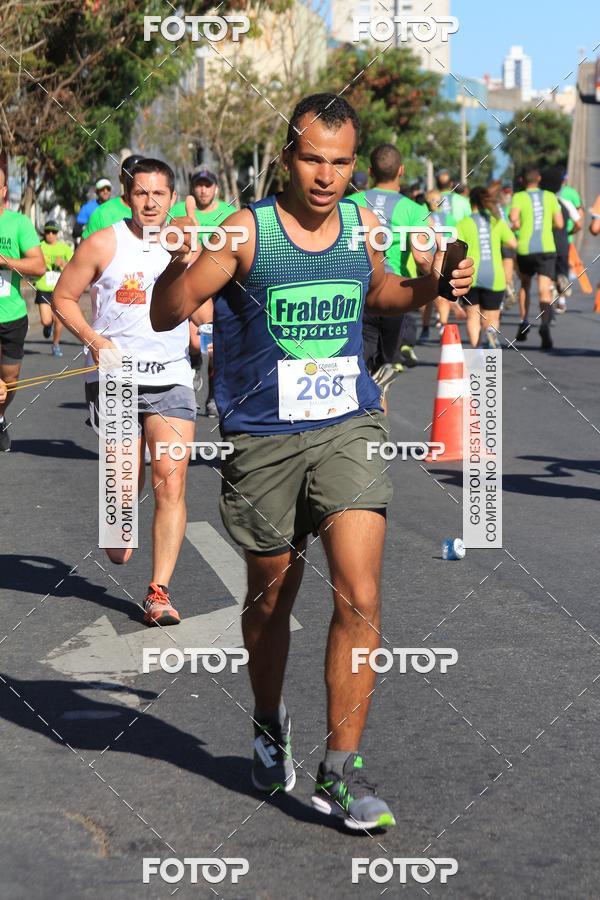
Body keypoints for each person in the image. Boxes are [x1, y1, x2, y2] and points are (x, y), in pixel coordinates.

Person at [150, 93, 474, 830]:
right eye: (311, 159)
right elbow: (166, 313)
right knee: (271, 600)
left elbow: (381, 293)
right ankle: (269, 717)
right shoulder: (246, 234)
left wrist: (430, 286)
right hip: (262, 440)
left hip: (348, 426)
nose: (326, 176)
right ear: (287, 156)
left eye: (340, 162)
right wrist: (181, 266)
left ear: (353, 163)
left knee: (360, 592)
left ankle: (341, 770)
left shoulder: (362, 222)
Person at [53, 159, 197, 626]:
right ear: (126, 196)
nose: (150, 202)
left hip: (172, 378)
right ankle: (122, 502)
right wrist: (95, 341)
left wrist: (195, 270)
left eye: (160, 194)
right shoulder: (104, 242)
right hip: (116, 380)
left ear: (172, 197)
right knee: (118, 544)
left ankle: (159, 592)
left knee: (172, 479)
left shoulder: (186, 244)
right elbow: (62, 297)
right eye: (141, 193)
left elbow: (208, 305)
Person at [347, 143, 432, 407]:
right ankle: (376, 428)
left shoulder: (349, 204)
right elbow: (421, 257)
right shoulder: (414, 210)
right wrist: (434, 281)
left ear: (370, 171)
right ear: (402, 171)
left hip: (356, 293)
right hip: (394, 295)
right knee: (384, 368)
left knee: (356, 365)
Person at [169, 169, 236, 418]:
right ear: (193, 188)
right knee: (193, 342)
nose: (203, 190)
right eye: (199, 185)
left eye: (208, 185)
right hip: (185, 285)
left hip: (221, 288)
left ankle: (213, 395)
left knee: (213, 347)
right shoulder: (177, 214)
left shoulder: (229, 215)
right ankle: (192, 365)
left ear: (216, 188)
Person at [0, 169, 46, 451]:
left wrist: (5, 260)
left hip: (12, 315)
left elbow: (38, 267)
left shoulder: (18, 224)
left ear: (4, 190)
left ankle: (1, 415)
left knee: (9, 379)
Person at [456, 186, 517, 348]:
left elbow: (455, 250)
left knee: (472, 317)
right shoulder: (497, 222)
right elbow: (512, 243)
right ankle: (490, 335)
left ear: (471, 203)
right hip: (495, 276)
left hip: (470, 276)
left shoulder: (463, 223)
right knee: (492, 317)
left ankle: (476, 353)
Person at [510, 167, 564, 349]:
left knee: (525, 285)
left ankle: (524, 321)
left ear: (522, 181)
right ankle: (545, 324)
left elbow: (513, 219)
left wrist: (518, 226)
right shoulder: (549, 196)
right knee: (544, 288)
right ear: (539, 179)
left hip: (525, 248)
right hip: (546, 248)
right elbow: (560, 223)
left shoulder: (519, 197)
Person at [540, 166, 581, 309]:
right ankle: (562, 301)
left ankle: (549, 298)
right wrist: (570, 232)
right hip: (563, 242)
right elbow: (578, 223)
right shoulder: (566, 203)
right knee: (562, 271)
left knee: (548, 273)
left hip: (546, 244)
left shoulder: (543, 203)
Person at [34, 220, 74, 356]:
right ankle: (47, 325)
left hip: (60, 289)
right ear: (44, 233)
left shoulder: (64, 248)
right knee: (46, 320)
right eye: (48, 232)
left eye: (53, 232)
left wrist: (64, 264)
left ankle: (56, 344)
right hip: (43, 287)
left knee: (59, 319)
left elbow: (76, 265)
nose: (50, 234)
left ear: (57, 233)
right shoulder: (38, 247)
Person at [82, 155, 145, 237]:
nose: (136, 183)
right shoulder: (101, 213)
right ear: (121, 179)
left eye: (108, 188)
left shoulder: (162, 211)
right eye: (130, 178)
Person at [73, 178, 112, 243]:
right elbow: (76, 231)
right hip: (94, 245)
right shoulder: (87, 208)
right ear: (97, 192)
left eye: (108, 189)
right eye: (102, 189)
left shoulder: (115, 206)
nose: (105, 191)